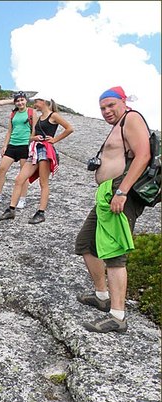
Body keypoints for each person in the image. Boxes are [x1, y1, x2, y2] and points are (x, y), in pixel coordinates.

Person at [75, 86, 151, 334]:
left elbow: (143, 155)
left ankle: (117, 316)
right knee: (86, 243)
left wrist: (122, 191)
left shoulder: (132, 118)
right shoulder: (118, 124)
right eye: (102, 108)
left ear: (123, 102)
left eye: (111, 105)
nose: (107, 111)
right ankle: (102, 296)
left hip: (120, 191)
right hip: (108, 192)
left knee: (114, 251)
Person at [0, 92, 74, 224]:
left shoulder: (53, 116)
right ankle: (11, 209)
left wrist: (54, 140)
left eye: (37, 101)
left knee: (43, 183)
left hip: (45, 151)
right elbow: (30, 136)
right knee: (19, 179)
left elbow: (69, 128)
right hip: (34, 150)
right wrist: (34, 138)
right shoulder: (38, 118)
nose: (34, 104)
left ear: (43, 101)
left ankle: (41, 212)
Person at [0, 91, 37, 208]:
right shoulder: (13, 114)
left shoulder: (31, 112)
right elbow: (9, 131)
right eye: (18, 101)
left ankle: (22, 198)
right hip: (13, 144)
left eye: (22, 100)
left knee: (23, 174)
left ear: (26, 100)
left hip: (25, 145)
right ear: (15, 102)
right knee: (1, 169)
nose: (20, 103)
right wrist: (5, 145)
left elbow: (34, 130)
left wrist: (32, 144)